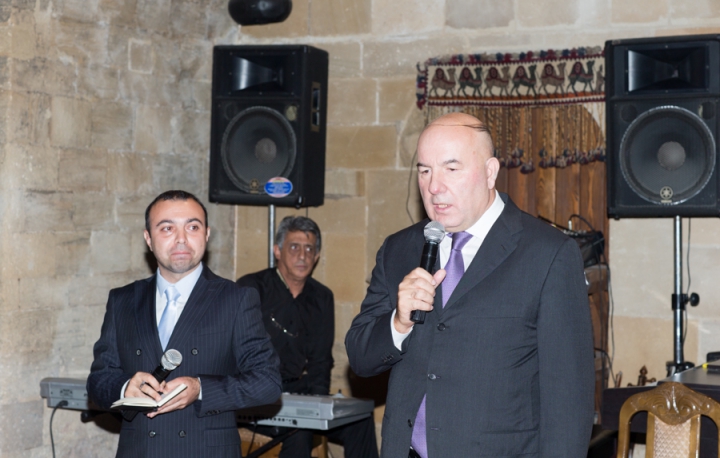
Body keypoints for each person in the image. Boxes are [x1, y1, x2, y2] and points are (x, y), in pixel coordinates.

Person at [345, 113, 594, 458]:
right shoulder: (399, 249)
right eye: (424, 171)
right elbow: (359, 358)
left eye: (451, 168)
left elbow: (568, 402)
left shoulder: (548, 254)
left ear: (490, 172)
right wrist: (398, 323)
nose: (434, 187)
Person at [87, 190, 282, 458]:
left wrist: (201, 389)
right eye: (167, 228)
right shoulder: (123, 300)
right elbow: (98, 381)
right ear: (148, 239)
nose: (181, 239)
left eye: (192, 227)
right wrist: (124, 386)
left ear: (207, 235)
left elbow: (268, 382)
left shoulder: (236, 299)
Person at [237, 216, 379, 458]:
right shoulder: (252, 287)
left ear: (317, 256)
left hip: (299, 391)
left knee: (360, 420)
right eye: (294, 247)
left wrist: (318, 405)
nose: (302, 256)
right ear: (277, 251)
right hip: (257, 395)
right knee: (300, 432)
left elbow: (321, 361)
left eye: (309, 249)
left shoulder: (322, 297)